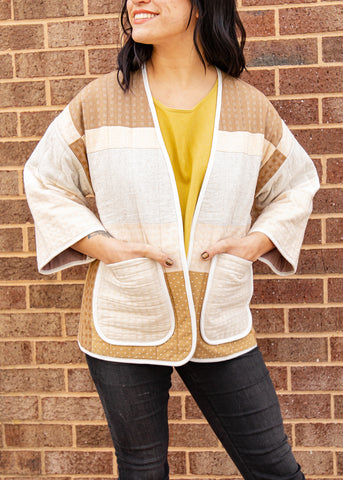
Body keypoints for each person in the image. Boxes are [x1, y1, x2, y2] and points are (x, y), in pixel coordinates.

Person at [24, 0, 320, 478]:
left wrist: (256, 241)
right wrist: (106, 247)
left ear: (202, 7)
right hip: (126, 314)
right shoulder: (100, 100)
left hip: (219, 316)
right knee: (142, 469)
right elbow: (45, 179)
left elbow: (296, 183)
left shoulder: (247, 105)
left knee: (274, 466)